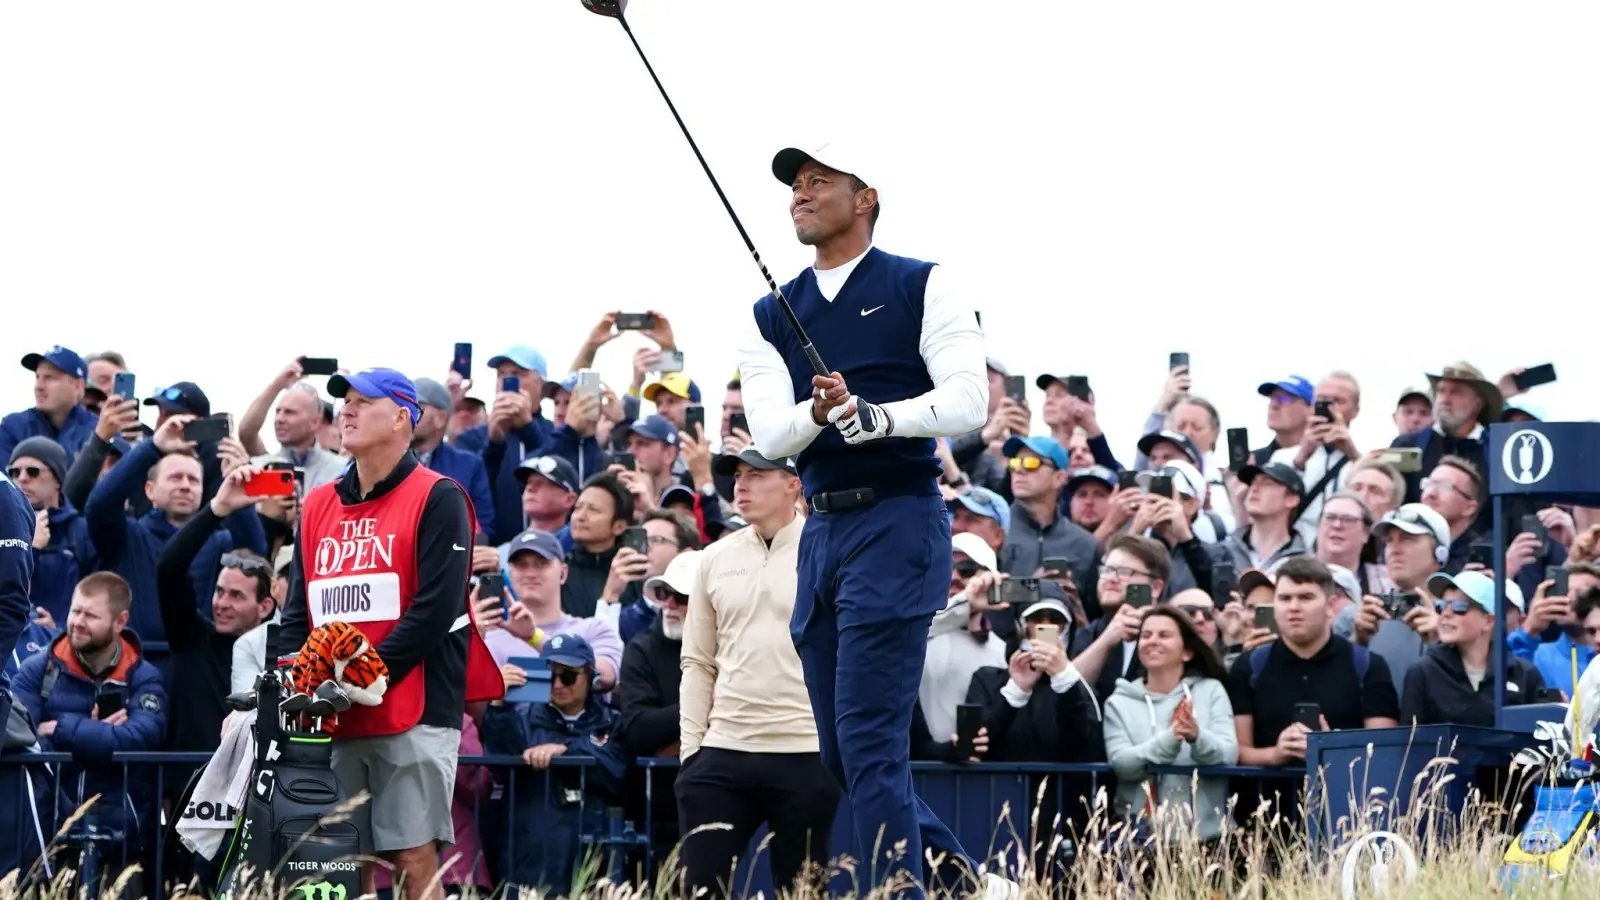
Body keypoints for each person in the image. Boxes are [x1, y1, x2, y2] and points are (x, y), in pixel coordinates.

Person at [737, 142, 1003, 898]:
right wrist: (819, 413)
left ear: (867, 197)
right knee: (844, 757)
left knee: (869, 745)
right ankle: (961, 883)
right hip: (820, 532)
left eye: (820, 180)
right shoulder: (770, 310)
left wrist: (879, 416)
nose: (801, 193)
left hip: (898, 521)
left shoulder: (922, 283)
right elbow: (768, 435)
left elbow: (966, 402)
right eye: (795, 184)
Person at [279, 368, 500, 900]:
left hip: (415, 706)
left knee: (410, 854)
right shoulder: (318, 503)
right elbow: (297, 612)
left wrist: (363, 673)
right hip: (332, 709)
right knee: (337, 862)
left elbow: (435, 610)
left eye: (363, 401)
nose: (347, 411)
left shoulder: (440, 496)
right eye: (345, 402)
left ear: (403, 417)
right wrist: (285, 680)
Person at [677, 447, 842, 899]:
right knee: (699, 890)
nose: (741, 484)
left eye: (756, 474)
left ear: (794, 484)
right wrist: (692, 753)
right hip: (723, 751)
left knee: (801, 893)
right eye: (738, 476)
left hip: (807, 752)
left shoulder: (829, 550)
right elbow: (697, 660)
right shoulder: (713, 558)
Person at [482, 634, 629, 893]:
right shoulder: (521, 717)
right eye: (550, 675)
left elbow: (617, 770)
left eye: (569, 676)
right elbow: (499, 765)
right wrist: (499, 703)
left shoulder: (612, 721)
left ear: (590, 676)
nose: (558, 684)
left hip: (594, 856)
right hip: (531, 857)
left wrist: (566, 751)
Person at [1103, 606, 1237, 845]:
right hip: (1140, 838)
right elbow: (1122, 763)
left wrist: (1197, 736)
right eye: (1146, 635)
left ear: (1186, 651)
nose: (1152, 641)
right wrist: (1172, 738)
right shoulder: (1118, 702)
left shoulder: (1211, 691)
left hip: (1208, 838)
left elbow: (1229, 754)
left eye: (1164, 635)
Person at [1400, 571, 1542, 727]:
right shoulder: (1422, 672)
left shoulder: (1524, 674)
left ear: (1488, 621)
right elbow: (1411, 744)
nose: (1446, 614)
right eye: (1440, 606)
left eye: (1459, 607)